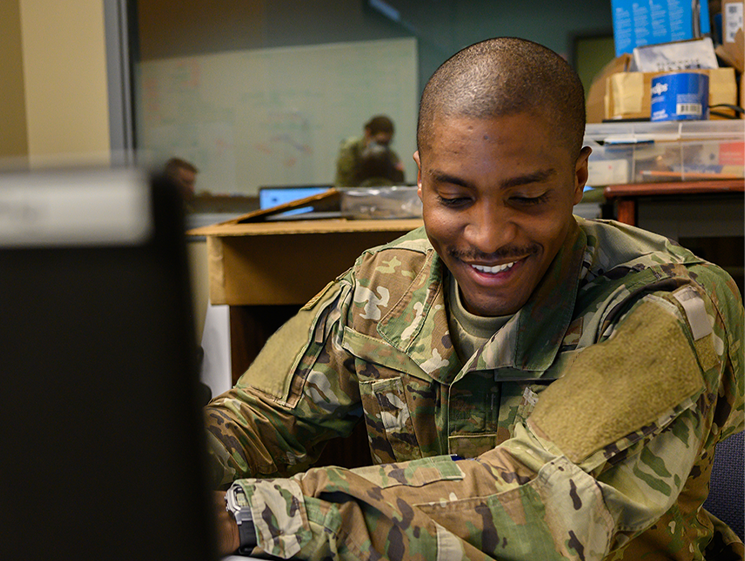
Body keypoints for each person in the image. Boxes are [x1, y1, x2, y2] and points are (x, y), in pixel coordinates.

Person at [205, 37, 744, 560]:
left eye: (528, 198)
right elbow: (260, 417)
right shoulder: (384, 283)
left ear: (579, 177)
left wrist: (254, 516)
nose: (487, 237)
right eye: (455, 198)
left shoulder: (666, 307)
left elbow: (542, 503)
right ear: (420, 180)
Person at [334, 115, 405, 186]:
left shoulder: (390, 154)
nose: (381, 147)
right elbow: (345, 180)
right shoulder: (351, 148)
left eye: (387, 143)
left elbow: (398, 182)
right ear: (368, 133)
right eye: (380, 142)